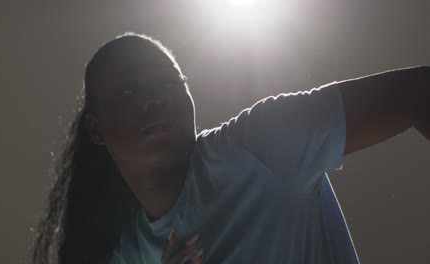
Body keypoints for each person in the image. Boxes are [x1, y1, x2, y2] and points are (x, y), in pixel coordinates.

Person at [32, 32, 429, 264]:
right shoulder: (128, 253)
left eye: (169, 82)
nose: (155, 99)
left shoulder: (258, 144)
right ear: (96, 129)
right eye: (128, 90)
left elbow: (418, 91)